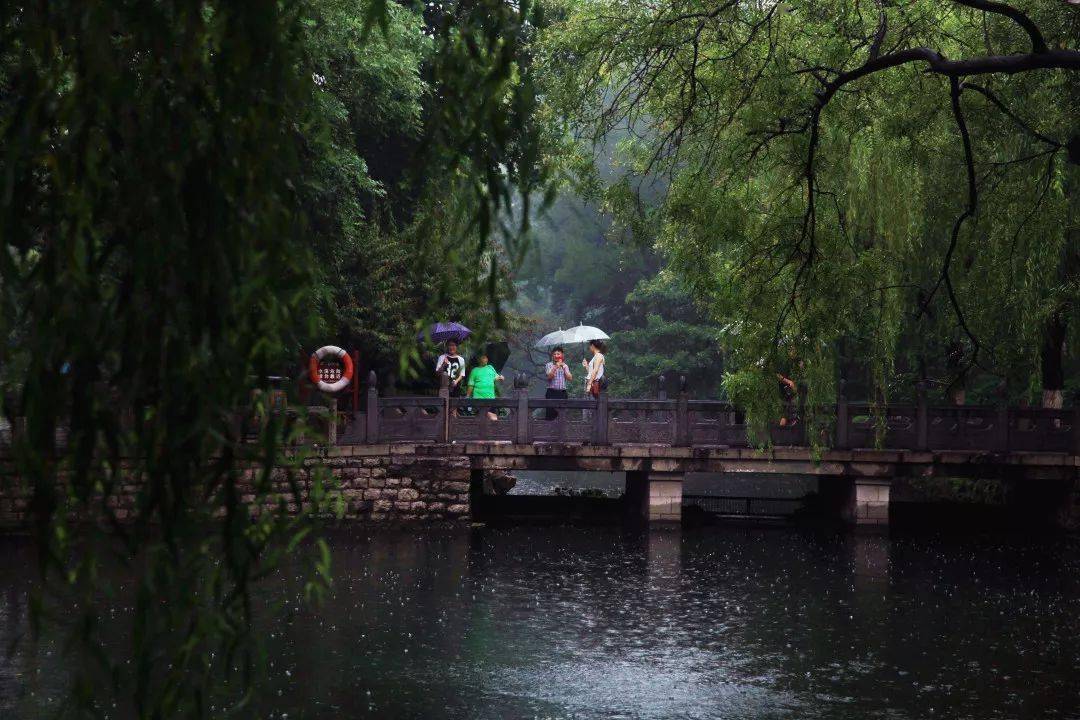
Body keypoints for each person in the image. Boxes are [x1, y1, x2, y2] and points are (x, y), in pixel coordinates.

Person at [466, 353, 504, 420]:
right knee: (492, 418)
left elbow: (496, 377)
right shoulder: (475, 370)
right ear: (479, 359)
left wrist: (501, 377)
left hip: (491, 398)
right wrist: (468, 396)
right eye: (483, 357)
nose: (485, 359)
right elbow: (471, 385)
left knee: (487, 419)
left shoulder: (490, 368)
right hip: (479, 399)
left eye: (486, 358)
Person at [544, 346, 572, 420]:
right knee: (550, 415)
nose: (556, 356)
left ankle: (561, 431)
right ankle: (549, 430)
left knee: (562, 416)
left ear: (562, 355)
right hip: (551, 393)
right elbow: (549, 377)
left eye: (558, 354)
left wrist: (564, 368)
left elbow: (570, 378)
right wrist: (555, 367)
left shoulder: (565, 366)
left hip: (562, 393)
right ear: (552, 356)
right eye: (554, 354)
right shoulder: (548, 365)